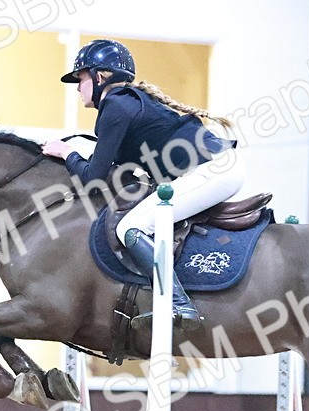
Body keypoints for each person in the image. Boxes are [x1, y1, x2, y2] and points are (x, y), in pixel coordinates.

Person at [42, 39, 245, 332]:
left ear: (100, 77)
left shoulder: (116, 106)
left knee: (130, 228)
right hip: (218, 166)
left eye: (81, 79)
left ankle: (176, 302)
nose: (77, 88)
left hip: (214, 170)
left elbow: (93, 179)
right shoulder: (126, 102)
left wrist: (66, 153)